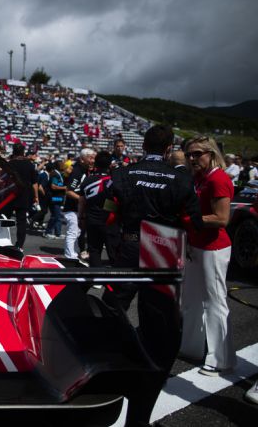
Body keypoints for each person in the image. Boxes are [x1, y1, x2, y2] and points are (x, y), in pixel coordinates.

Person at [105, 124, 203, 427]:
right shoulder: (182, 180)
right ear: (168, 147)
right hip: (163, 249)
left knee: (112, 307)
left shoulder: (123, 174)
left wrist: (119, 245)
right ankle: (147, 372)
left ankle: (109, 360)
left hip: (130, 246)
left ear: (144, 145)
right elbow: (193, 223)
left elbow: (109, 215)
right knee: (158, 322)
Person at [179, 136, 236, 376]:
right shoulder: (201, 178)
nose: (192, 158)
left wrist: (187, 220)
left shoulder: (218, 179)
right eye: (189, 154)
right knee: (191, 299)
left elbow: (222, 218)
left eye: (197, 153)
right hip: (197, 244)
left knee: (214, 301)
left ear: (211, 153)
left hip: (213, 247)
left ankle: (220, 358)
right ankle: (191, 346)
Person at [78, 151, 116, 267]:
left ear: (96, 164)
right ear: (110, 164)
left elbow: (82, 201)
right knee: (113, 251)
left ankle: (97, 281)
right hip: (110, 221)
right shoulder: (113, 180)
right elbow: (114, 201)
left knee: (94, 251)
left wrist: (81, 217)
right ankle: (118, 281)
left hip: (92, 220)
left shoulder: (88, 180)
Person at [63, 148, 95, 260]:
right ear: (82, 159)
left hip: (78, 208)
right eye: (90, 158)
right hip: (72, 208)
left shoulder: (85, 170)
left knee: (77, 232)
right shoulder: (77, 171)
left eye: (94, 157)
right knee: (73, 232)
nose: (93, 160)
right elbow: (69, 191)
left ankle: (74, 253)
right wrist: (83, 200)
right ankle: (69, 255)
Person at [7, 142, 38, 250]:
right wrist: (36, 196)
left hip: (10, 194)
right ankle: (20, 245)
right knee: (21, 221)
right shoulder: (29, 164)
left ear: (13, 151)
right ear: (23, 152)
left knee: (5, 218)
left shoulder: (10, 163)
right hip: (24, 195)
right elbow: (35, 183)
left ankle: (3, 240)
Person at [43, 162, 66, 239]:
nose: (64, 165)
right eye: (62, 164)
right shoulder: (55, 174)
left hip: (58, 197)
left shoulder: (59, 174)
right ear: (58, 166)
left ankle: (58, 233)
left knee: (58, 216)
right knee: (55, 216)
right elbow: (53, 186)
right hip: (54, 197)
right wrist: (65, 188)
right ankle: (47, 232)